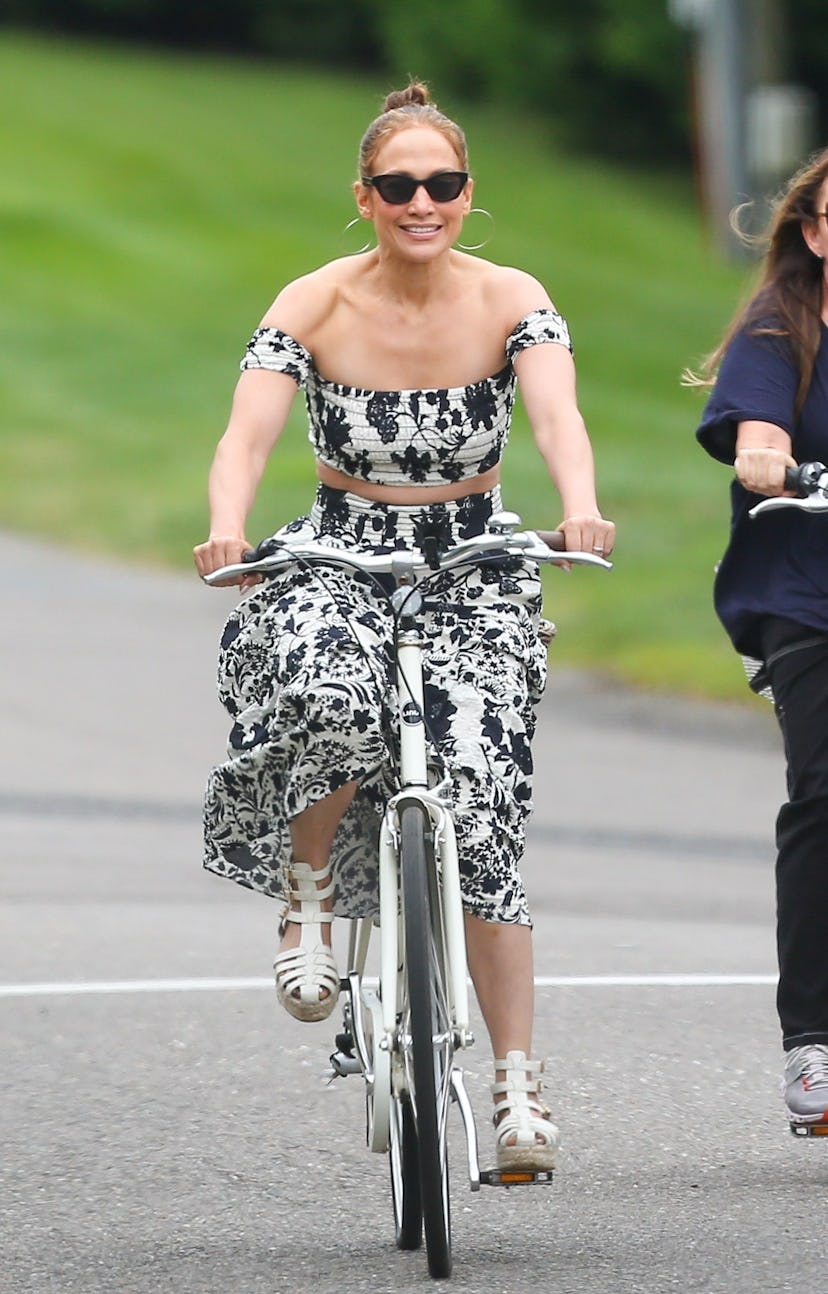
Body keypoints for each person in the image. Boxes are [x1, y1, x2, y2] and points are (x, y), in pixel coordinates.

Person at [193, 82, 614, 1170]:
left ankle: (519, 1094)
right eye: (399, 185)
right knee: (325, 694)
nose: (422, 201)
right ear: (365, 198)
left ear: (469, 193)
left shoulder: (513, 296)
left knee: (482, 816)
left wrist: (579, 505)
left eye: (443, 184)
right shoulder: (315, 303)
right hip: (340, 550)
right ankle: (310, 895)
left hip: (475, 561)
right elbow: (245, 435)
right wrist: (228, 526)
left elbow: (561, 415)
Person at [692, 147, 828, 1132]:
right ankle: (815, 1047)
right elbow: (756, 436)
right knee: (826, 792)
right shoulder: (782, 327)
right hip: (805, 586)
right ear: (815, 234)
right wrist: (769, 457)